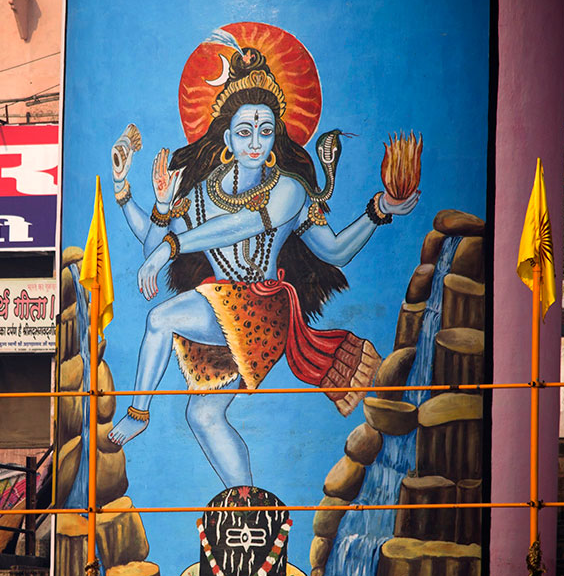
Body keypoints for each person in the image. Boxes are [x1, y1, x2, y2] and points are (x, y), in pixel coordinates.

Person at [106, 29, 419, 487]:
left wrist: (379, 211)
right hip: (221, 308)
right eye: (245, 131)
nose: (256, 142)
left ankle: (138, 413)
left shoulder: (288, 189)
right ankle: (248, 502)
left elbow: (323, 248)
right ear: (228, 138)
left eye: (266, 131)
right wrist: (136, 196)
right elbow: (151, 245)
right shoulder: (202, 193)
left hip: (263, 309)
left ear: (276, 138)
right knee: (203, 414)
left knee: (159, 318)